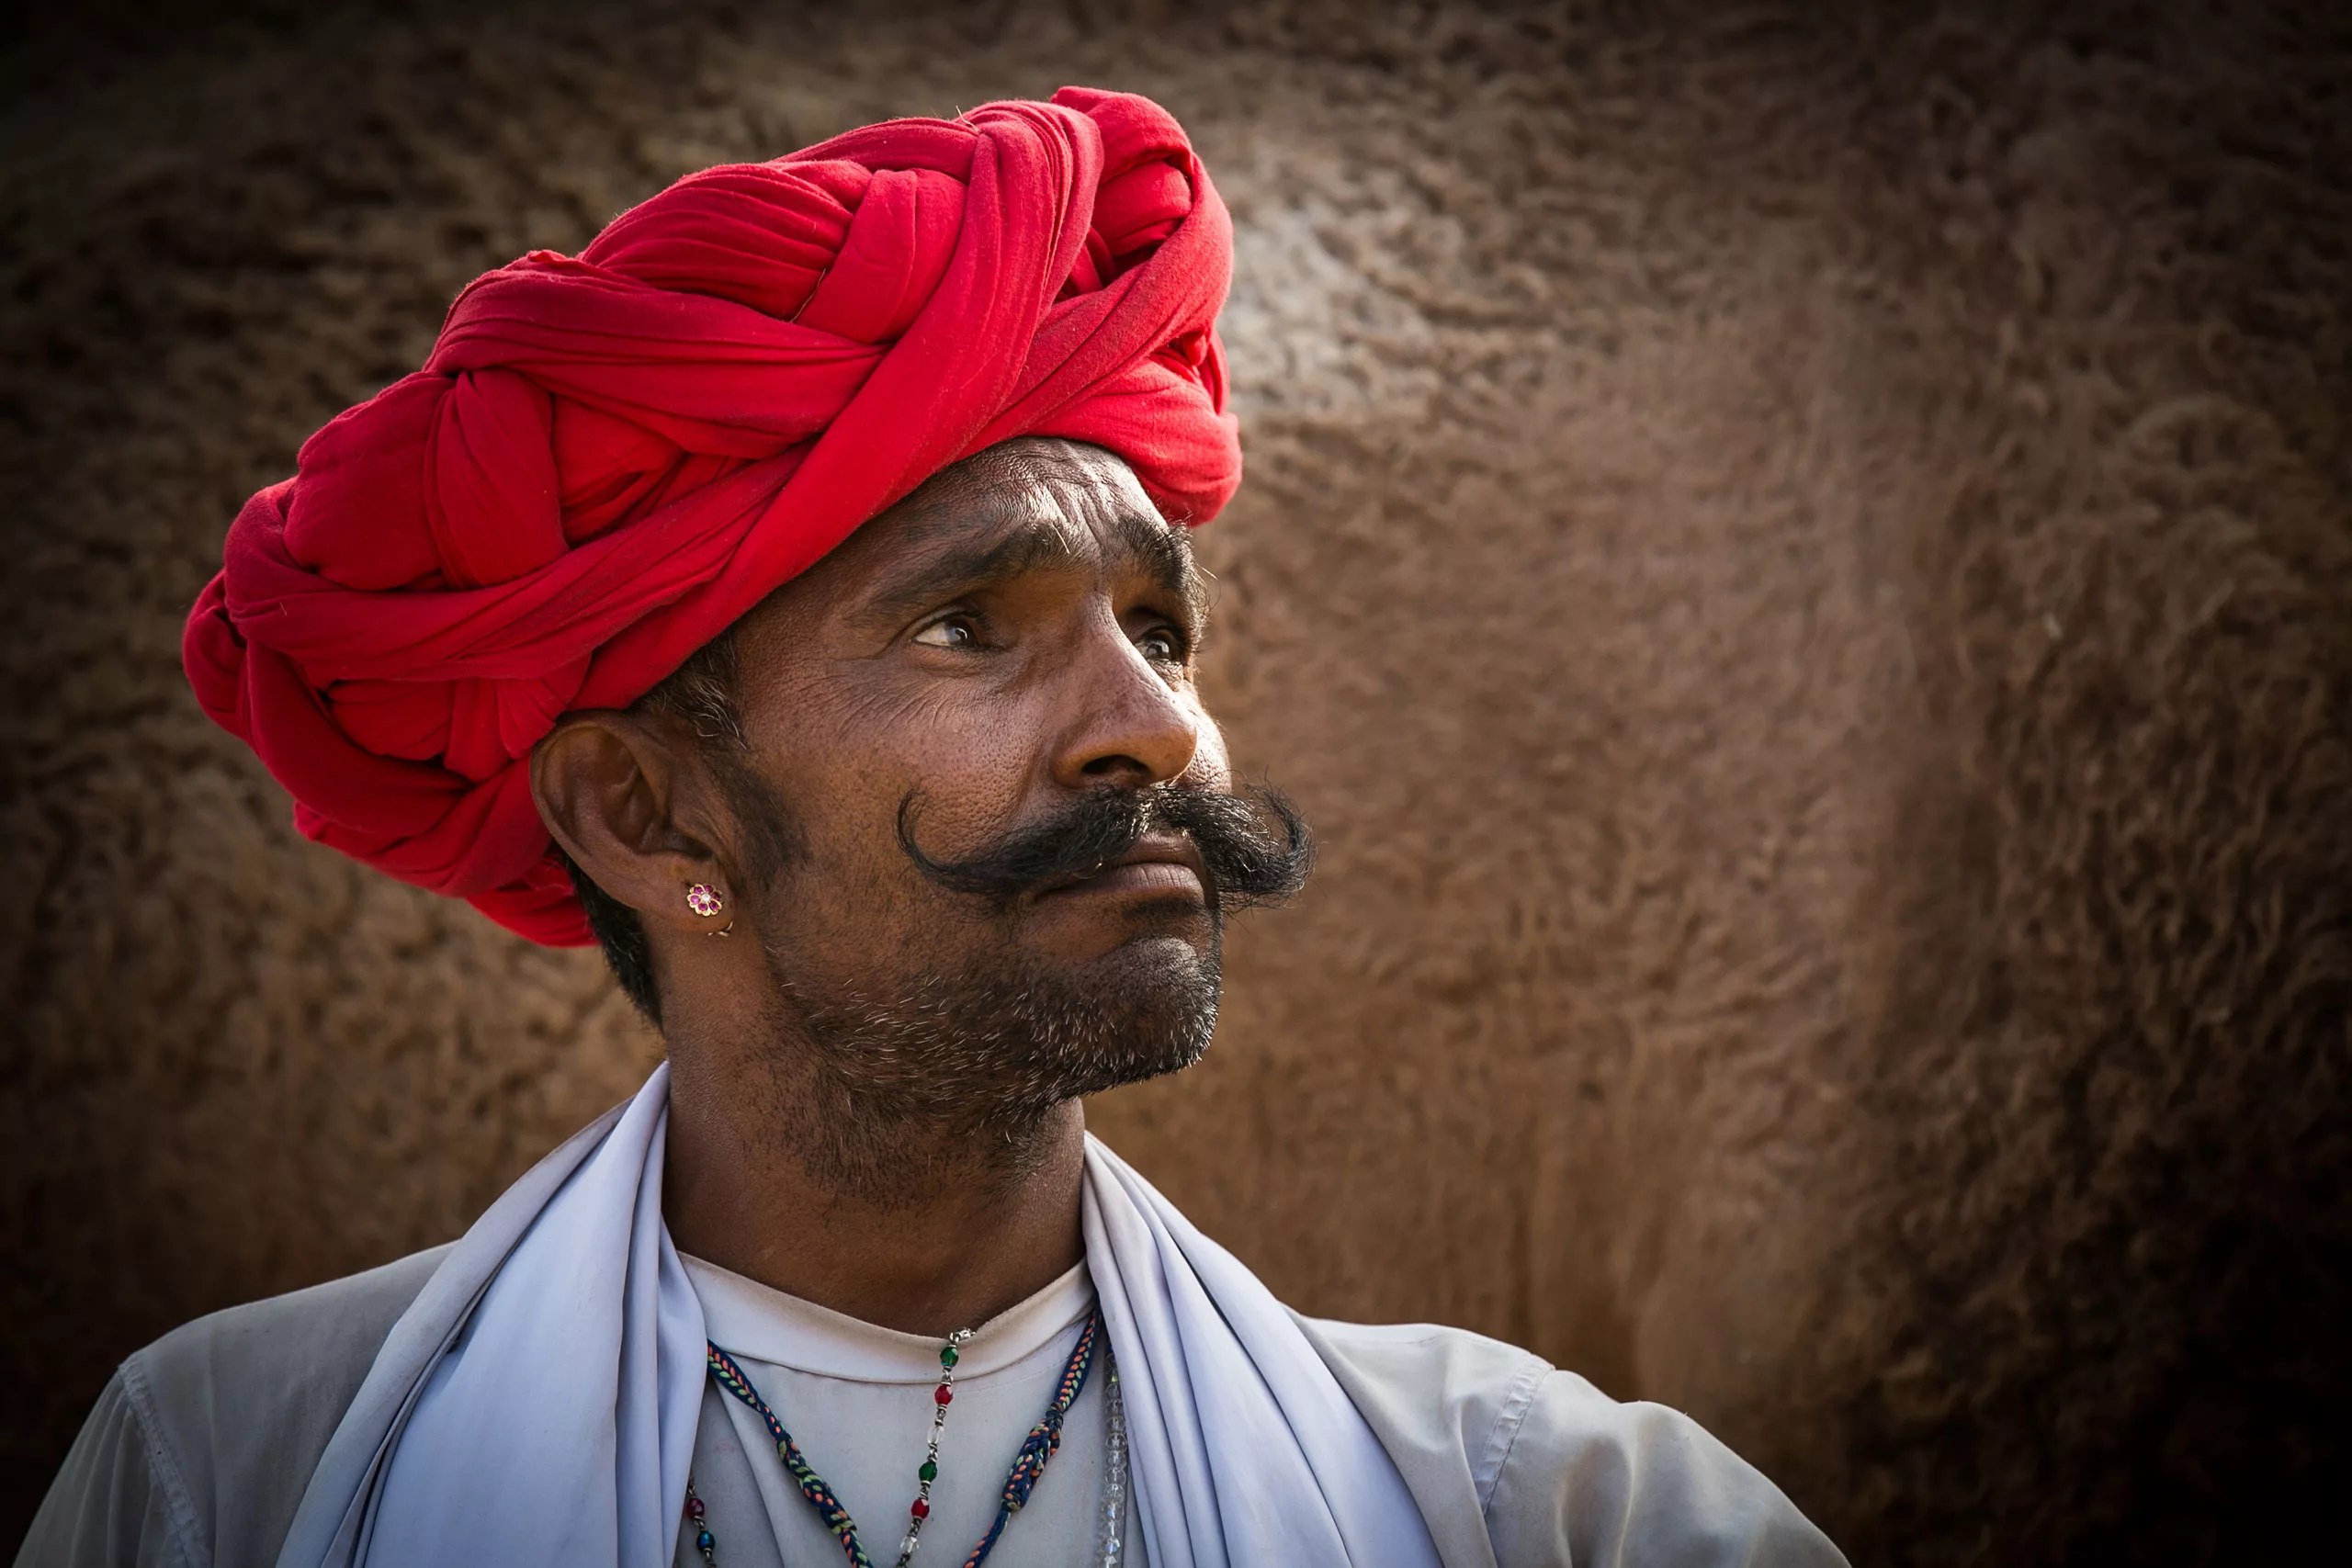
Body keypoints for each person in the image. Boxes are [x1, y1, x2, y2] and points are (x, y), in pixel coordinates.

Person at [17, 88, 1846, 1568]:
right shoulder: (229, 1483)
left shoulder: (1543, 1512)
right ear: (644, 810)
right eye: (970, 626)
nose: (1154, 728)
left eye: (1158, 628)